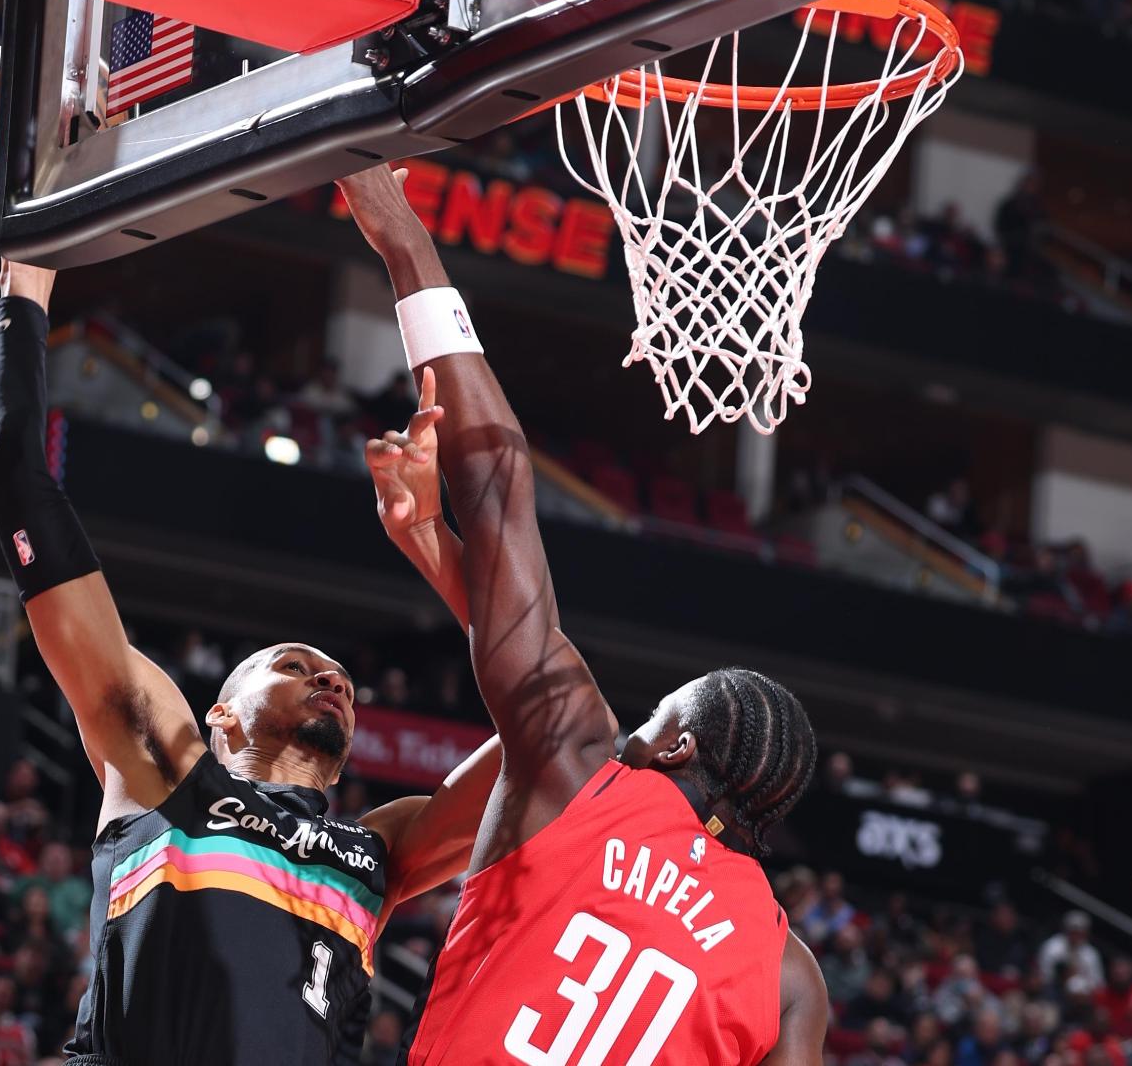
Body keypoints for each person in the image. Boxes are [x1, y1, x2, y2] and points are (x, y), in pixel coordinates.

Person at [0, 161, 501, 1065]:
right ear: (219, 712)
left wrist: (437, 544)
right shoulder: (163, 765)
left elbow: (560, 726)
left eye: (339, 680)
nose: (330, 678)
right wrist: (28, 275)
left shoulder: (381, 848)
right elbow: (16, 477)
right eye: (293, 664)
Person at [332, 164, 825, 1066]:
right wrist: (433, 543)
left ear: (675, 746)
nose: (629, 723)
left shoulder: (584, 772)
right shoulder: (793, 978)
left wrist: (403, 239)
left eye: (654, 716)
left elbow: (502, 488)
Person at [1041, 910, 1108, 994]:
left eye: (1080, 932)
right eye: (1073, 931)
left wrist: (1080, 977)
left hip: (1082, 996)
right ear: (1066, 929)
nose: (1076, 936)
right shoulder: (1053, 946)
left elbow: (1098, 983)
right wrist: (1063, 975)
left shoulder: (1091, 954)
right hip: (1054, 988)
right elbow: (1044, 973)